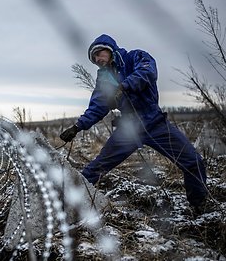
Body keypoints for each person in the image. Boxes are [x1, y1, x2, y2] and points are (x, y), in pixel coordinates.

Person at [60, 34, 208, 213]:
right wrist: (77, 127)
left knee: (193, 161)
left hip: (155, 123)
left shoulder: (135, 57)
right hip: (128, 129)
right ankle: (66, 201)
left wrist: (124, 86)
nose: (97, 59)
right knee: (97, 167)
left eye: (99, 53)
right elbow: (98, 106)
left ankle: (198, 206)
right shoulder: (104, 79)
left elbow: (148, 72)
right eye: (94, 58)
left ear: (110, 48)